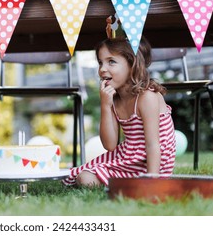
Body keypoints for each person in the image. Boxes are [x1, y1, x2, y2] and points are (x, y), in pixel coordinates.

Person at [63, 15, 176, 187]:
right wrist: (105, 105)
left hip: (152, 164)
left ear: (132, 64)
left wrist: (152, 182)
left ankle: (137, 183)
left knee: (86, 178)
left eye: (111, 62)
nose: (102, 69)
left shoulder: (147, 97)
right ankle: (124, 184)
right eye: (100, 62)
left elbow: (153, 145)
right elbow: (109, 145)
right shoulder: (114, 98)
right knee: (83, 177)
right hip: (128, 158)